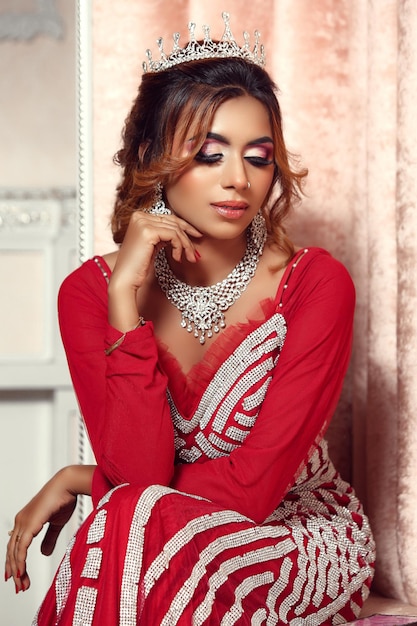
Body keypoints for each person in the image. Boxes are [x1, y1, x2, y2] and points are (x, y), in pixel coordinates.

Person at [5, 13, 375, 625]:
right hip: (161, 533)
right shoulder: (91, 294)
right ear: (151, 154)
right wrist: (127, 300)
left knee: (126, 525)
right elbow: (141, 472)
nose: (238, 180)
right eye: (209, 154)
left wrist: (84, 482)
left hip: (295, 537)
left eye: (258, 158)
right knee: (134, 530)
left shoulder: (315, 285)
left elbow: (253, 488)